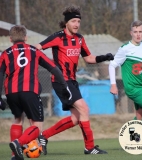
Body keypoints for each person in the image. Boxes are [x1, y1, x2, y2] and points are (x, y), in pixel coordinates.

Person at [35, 5, 113, 155]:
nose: (77, 24)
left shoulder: (79, 39)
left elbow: (89, 58)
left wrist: (105, 57)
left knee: (76, 118)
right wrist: (48, 65)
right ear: (66, 23)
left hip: (72, 81)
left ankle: (44, 136)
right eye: (73, 21)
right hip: (61, 81)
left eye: (78, 21)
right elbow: (36, 48)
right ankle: (89, 147)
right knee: (85, 109)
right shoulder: (57, 37)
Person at [0, 25, 71, 160]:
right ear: (25, 37)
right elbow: (53, 68)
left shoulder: (5, 53)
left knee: (18, 120)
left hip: (11, 92)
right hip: (30, 91)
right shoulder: (33, 51)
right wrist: (65, 86)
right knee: (37, 124)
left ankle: (15, 156)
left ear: (10, 39)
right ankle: (19, 143)